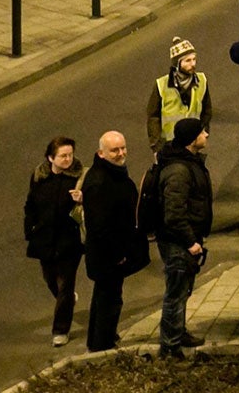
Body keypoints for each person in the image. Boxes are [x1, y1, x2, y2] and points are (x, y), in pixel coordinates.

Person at [80, 131, 147, 352]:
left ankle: (100, 340)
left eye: (122, 148)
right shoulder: (100, 182)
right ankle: (102, 345)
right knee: (109, 301)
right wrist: (118, 255)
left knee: (104, 297)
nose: (121, 154)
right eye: (114, 150)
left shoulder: (111, 173)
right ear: (101, 153)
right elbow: (100, 227)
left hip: (107, 256)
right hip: (107, 257)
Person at [154, 118, 213, 358]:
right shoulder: (179, 170)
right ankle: (169, 347)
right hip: (178, 242)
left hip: (186, 238)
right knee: (175, 294)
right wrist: (190, 242)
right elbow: (174, 214)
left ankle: (178, 332)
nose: (207, 135)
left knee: (183, 291)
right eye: (202, 132)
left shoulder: (187, 162)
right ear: (192, 139)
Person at [24, 135, 85, 348]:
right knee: (50, 279)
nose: (68, 159)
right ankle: (66, 300)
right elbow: (30, 203)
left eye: (70, 155)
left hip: (70, 239)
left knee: (66, 284)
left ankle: (60, 330)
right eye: (62, 156)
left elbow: (95, 202)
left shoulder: (80, 177)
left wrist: (82, 199)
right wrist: (29, 229)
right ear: (51, 158)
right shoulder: (39, 176)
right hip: (45, 238)